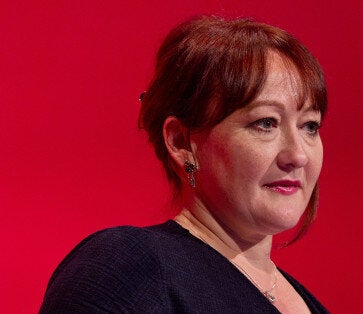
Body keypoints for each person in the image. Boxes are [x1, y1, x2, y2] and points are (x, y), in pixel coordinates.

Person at [40, 16, 328, 313]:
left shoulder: (309, 304)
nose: (298, 155)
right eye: (265, 123)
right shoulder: (129, 268)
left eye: (310, 126)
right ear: (180, 142)